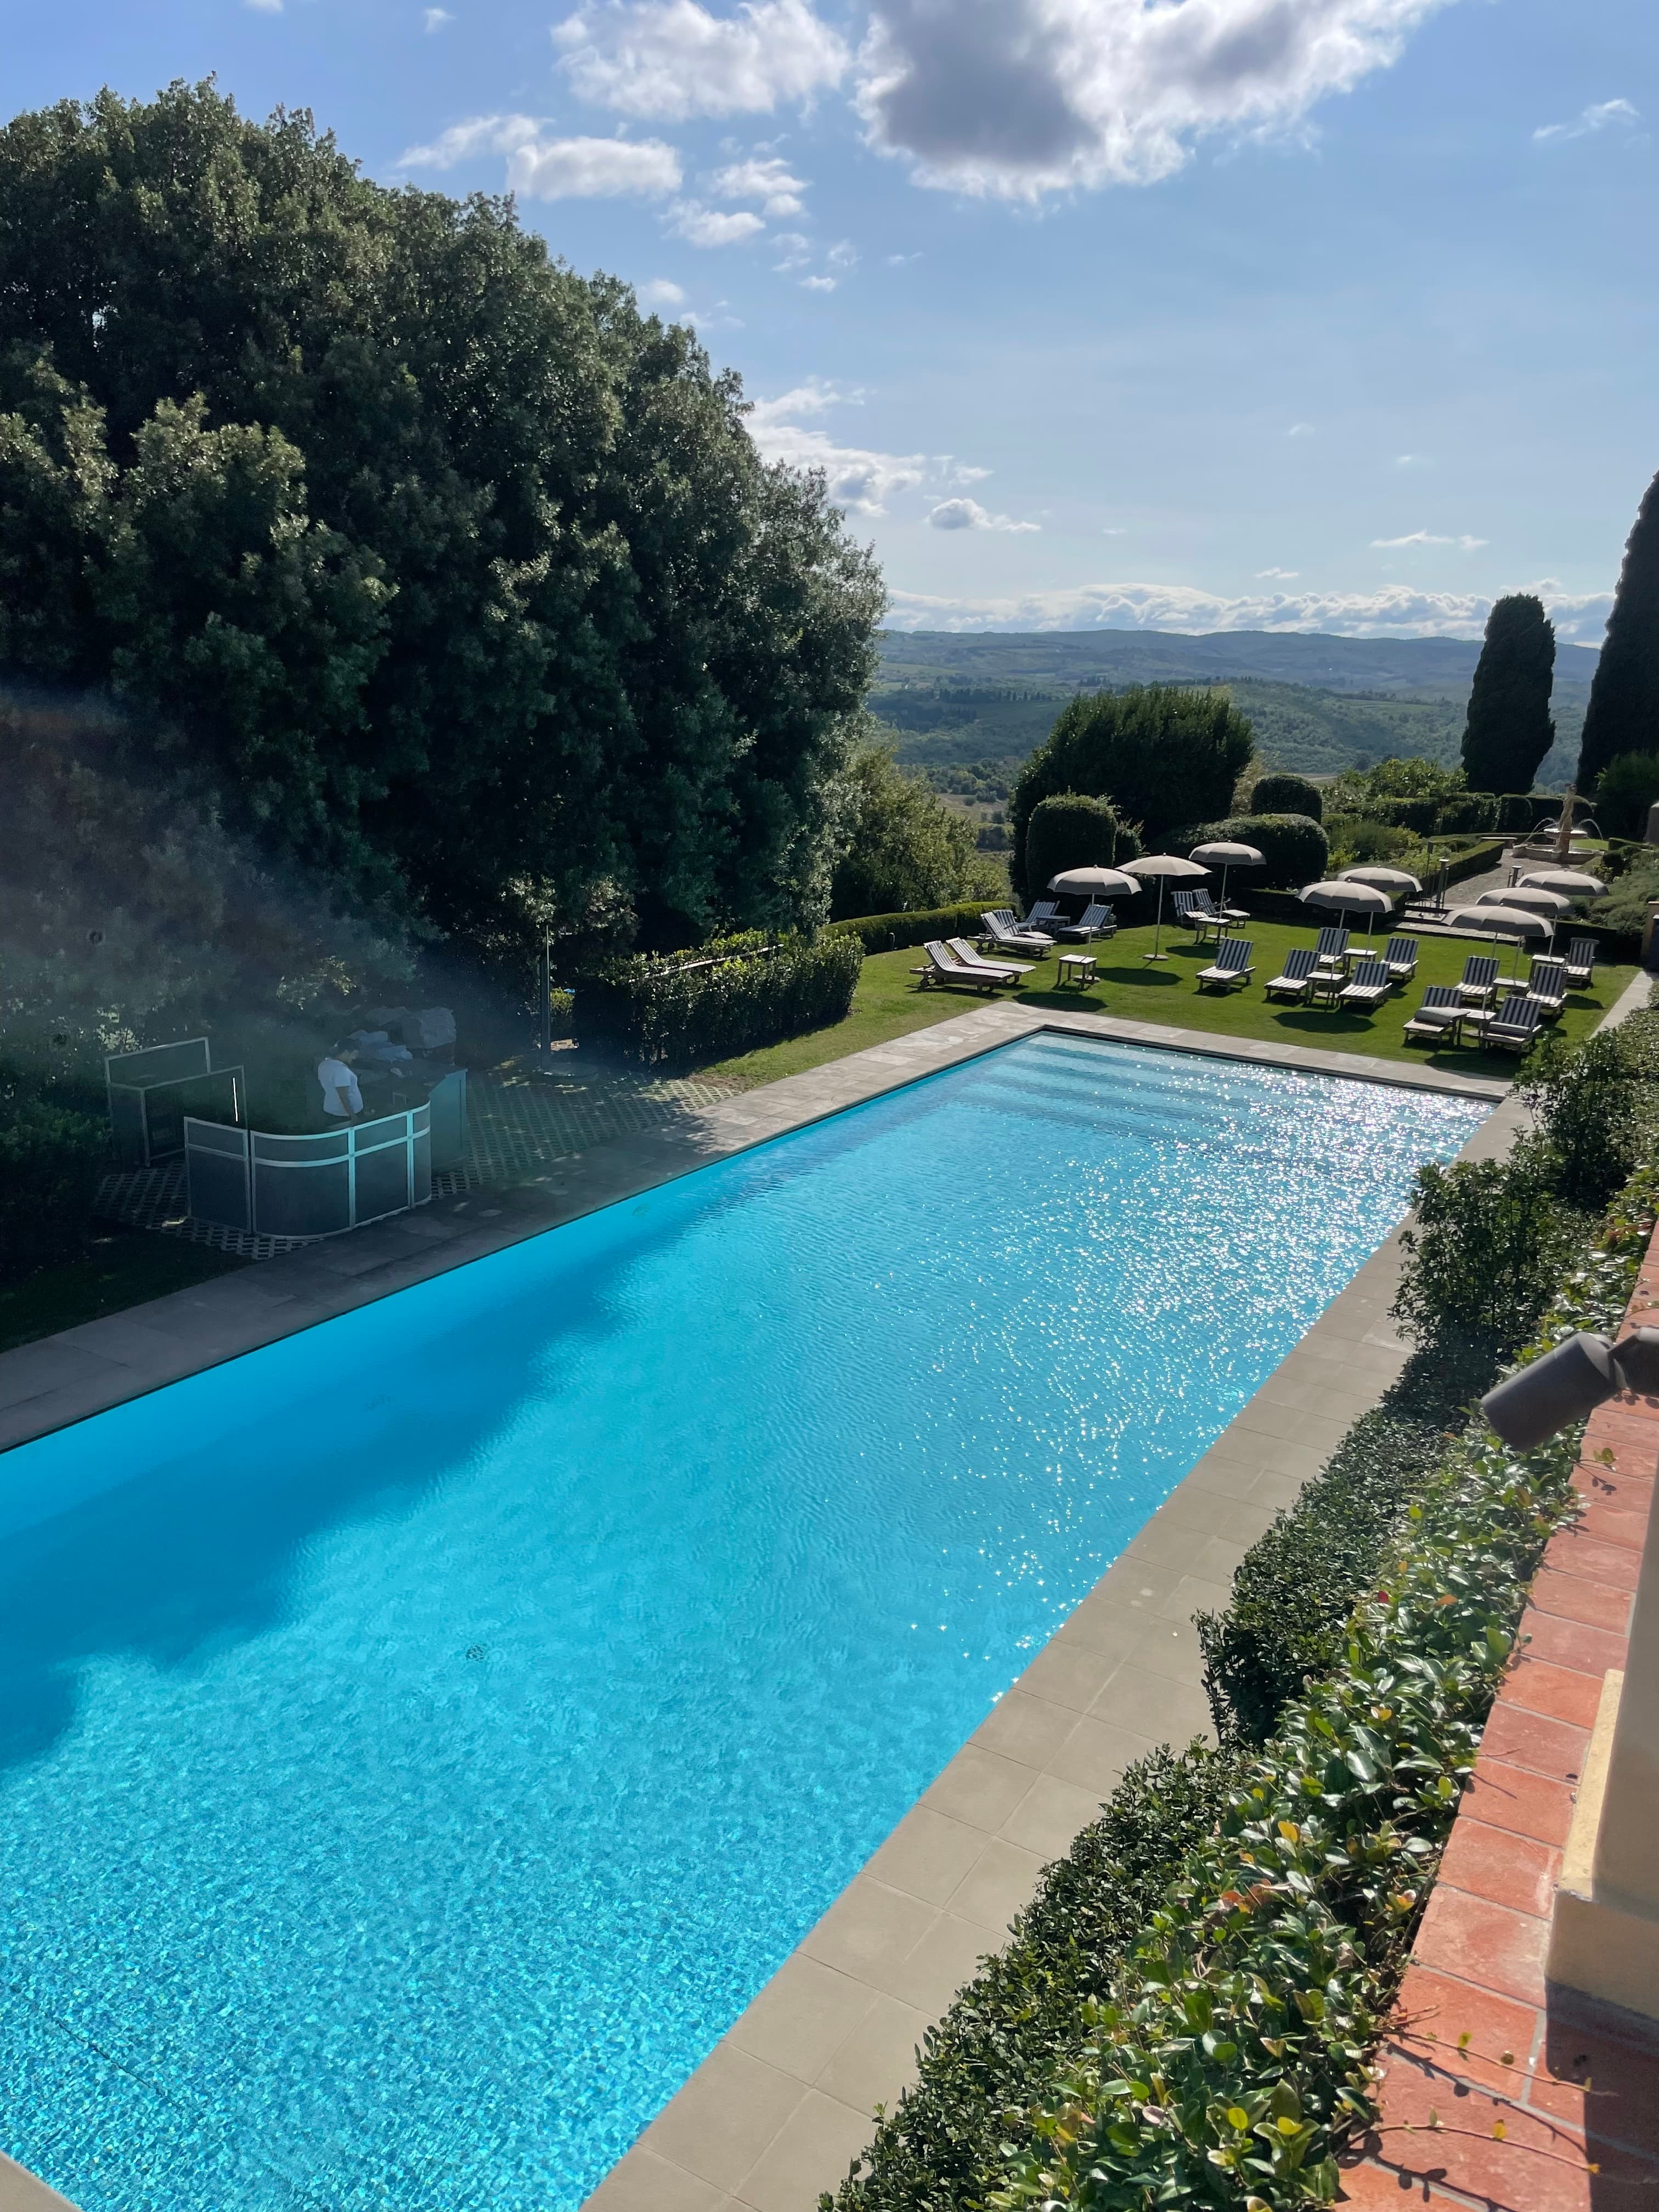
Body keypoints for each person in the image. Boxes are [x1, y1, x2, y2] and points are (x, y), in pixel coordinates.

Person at [317, 1046, 364, 1120]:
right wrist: (352, 1116)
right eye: (354, 1054)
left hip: (331, 1109)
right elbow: (344, 1097)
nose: (355, 1058)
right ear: (346, 1053)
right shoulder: (341, 1070)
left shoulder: (324, 1065)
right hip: (344, 1115)